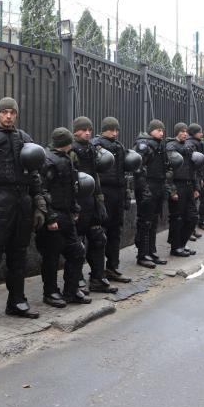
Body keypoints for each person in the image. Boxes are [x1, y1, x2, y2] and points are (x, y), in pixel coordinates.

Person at [0, 97, 46, 322]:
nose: (9, 116)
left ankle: (16, 301)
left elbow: (34, 175)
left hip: (22, 203)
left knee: (19, 255)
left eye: (12, 112)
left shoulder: (25, 139)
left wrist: (39, 204)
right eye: (4, 112)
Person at [37, 128, 88, 308]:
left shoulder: (66, 158)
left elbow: (71, 187)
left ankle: (71, 290)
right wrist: (50, 217)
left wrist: (74, 208)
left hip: (65, 214)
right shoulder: (49, 160)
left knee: (77, 251)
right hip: (54, 216)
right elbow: (42, 190)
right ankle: (50, 292)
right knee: (51, 257)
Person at [71, 117, 116, 294]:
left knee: (99, 238)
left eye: (89, 129)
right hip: (78, 201)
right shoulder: (72, 150)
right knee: (77, 243)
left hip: (92, 200)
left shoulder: (92, 149)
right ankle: (77, 279)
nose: (87, 132)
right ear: (75, 131)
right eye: (83, 129)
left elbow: (95, 176)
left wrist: (100, 200)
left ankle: (98, 278)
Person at [92, 117, 131, 283]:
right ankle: (98, 271)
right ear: (104, 129)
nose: (114, 133)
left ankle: (112, 267)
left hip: (118, 193)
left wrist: (126, 193)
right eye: (111, 129)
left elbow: (123, 173)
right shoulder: (96, 145)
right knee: (100, 234)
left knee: (116, 232)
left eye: (116, 130)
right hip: (104, 193)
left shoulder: (120, 146)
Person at [132, 120, 172, 266]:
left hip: (159, 186)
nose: (161, 133)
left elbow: (167, 166)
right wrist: (144, 189)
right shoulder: (144, 145)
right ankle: (142, 254)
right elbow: (138, 169)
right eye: (158, 130)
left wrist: (166, 182)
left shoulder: (161, 145)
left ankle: (151, 251)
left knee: (154, 221)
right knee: (145, 221)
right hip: (148, 186)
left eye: (162, 130)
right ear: (151, 131)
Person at [166, 123, 199, 257]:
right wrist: (172, 190)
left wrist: (196, 187)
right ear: (177, 132)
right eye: (182, 131)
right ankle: (175, 247)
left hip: (188, 185)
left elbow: (194, 168)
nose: (184, 133)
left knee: (192, 217)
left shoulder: (189, 146)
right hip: (177, 186)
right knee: (177, 218)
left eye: (186, 131)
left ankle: (183, 244)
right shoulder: (171, 147)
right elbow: (168, 171)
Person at [188, 124, 204, 232]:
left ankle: (202, 220)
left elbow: (203, 163)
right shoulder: (191, 144)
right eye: (199, 132)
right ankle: (191, 228)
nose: (201, 134)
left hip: (202, 175)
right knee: (193, 203)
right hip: (194, 177)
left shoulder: (200, 143)